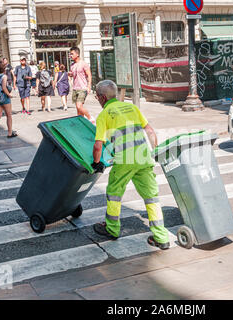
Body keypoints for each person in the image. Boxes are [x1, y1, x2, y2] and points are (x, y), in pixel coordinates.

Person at [91, 80, 170, 250]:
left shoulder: (104, 115)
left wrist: (96, 163)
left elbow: (98, 145)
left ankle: (112, 229)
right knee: (151, 197)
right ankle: (161, 237)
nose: (97, 99)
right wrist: (155, 150)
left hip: (124, 160)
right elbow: (150, 131)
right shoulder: (132, 108)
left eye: (97, 96)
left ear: (103, 97)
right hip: (143, 157)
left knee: (114, 192)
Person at [68, 47, 95, 124]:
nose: (70, 55)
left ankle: (90, 118)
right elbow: (73, 74)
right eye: (70, 54)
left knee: (79, 106)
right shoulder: (72, 65)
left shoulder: (83, 64)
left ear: (77, 54)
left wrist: (89, 86)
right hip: (75, 88)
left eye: (72, 54)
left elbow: (89, 75)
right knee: (78, 109)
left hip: (83, 88)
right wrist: (71, 74)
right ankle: (82, 122)